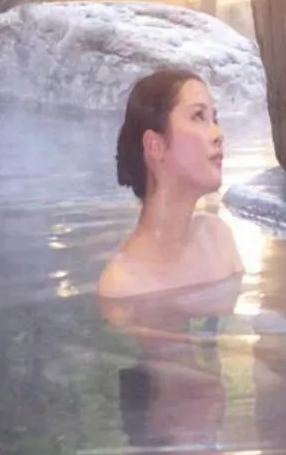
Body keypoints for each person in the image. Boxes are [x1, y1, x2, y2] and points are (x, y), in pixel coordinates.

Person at [98, 68, 246, 300]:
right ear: (155, 145)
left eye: (214, 119)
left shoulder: (218, 238)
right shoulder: (123, 286)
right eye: (198, 116)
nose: (218, 133)